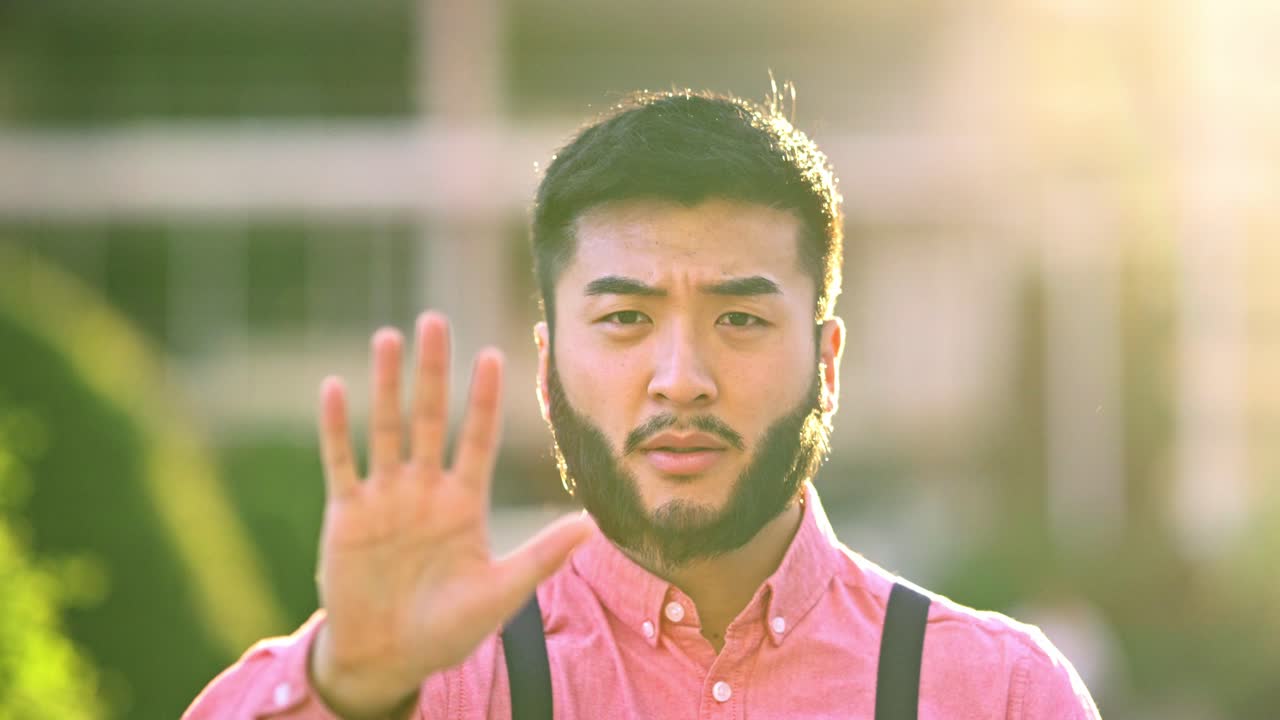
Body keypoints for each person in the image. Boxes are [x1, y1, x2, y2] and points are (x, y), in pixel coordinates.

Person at [184, 91, 1100, 719]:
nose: (680, 377)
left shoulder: (996, 692)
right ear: (547, 368)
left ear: (826, 361)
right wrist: (345, 681)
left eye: (739, 317)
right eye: (625, 318)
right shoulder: (436, 682)